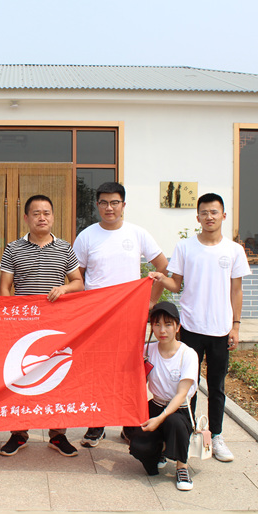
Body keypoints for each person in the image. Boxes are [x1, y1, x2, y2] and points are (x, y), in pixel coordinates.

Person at [149, 192, 251, 462]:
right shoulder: (185, 247)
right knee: (188, 386)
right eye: (204, 213)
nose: (209, 217)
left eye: (214, 212)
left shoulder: (234, 250)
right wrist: (160, 277)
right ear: (197, 217)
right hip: (191, 329)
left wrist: (235, 326)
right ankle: (186, 434)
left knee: (217, 387)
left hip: (220, 330)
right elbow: (176, 285)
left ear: (223, 216)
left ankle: (216, 436)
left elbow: (237, 291)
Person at [72, 181, 169, 448]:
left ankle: (129, 424)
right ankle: (97, 424)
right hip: (97, 317)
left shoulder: (137, 234)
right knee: (97, 369)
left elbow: (162, 266)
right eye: (104, 202)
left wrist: (151, 300)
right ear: (97, 205)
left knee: (130, 370)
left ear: (123, 205)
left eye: (114, 202)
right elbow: (77, 276)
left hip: (130, 315)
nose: (109, 208)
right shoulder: (87, 236)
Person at [0, 194, 84, 458]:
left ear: (53, 217)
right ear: (26, 217)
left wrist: (64, 288)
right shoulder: (13, 248)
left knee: (58, 377)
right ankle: (18, 433)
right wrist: (10, 320)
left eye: (46, 213)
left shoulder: (65, 248)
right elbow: (4, 287)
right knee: (20, 377)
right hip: (23, 325)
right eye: (36, 213)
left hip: (57, 326)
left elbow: (78, 283)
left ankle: (58, 435)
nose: (42, 218)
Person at [128, 301, 198, 491]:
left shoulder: (188, 354)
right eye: (157, 324)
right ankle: (159, 450)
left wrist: (160, 418)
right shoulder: (148, 350)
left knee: (174, 423)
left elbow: (182, 394)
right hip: (156, 405)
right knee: (139, 447)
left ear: (178, 326)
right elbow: (138, 382)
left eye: (168, 324)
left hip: (179, 409)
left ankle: (182, 467)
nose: (162, 330)